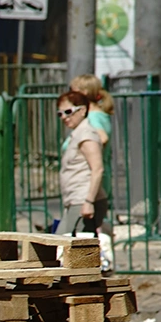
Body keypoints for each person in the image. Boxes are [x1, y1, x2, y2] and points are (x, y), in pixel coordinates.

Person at [56, 90, 109, 271]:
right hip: (75, 200)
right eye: (60, 113)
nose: (64, 117)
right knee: (68, 250)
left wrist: (88, 202)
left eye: (68, 112)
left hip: (83, 200)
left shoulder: (87, 135)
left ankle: (88, 289)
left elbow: (97, 169)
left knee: (68, 249)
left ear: (83, 110)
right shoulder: (77, 134)